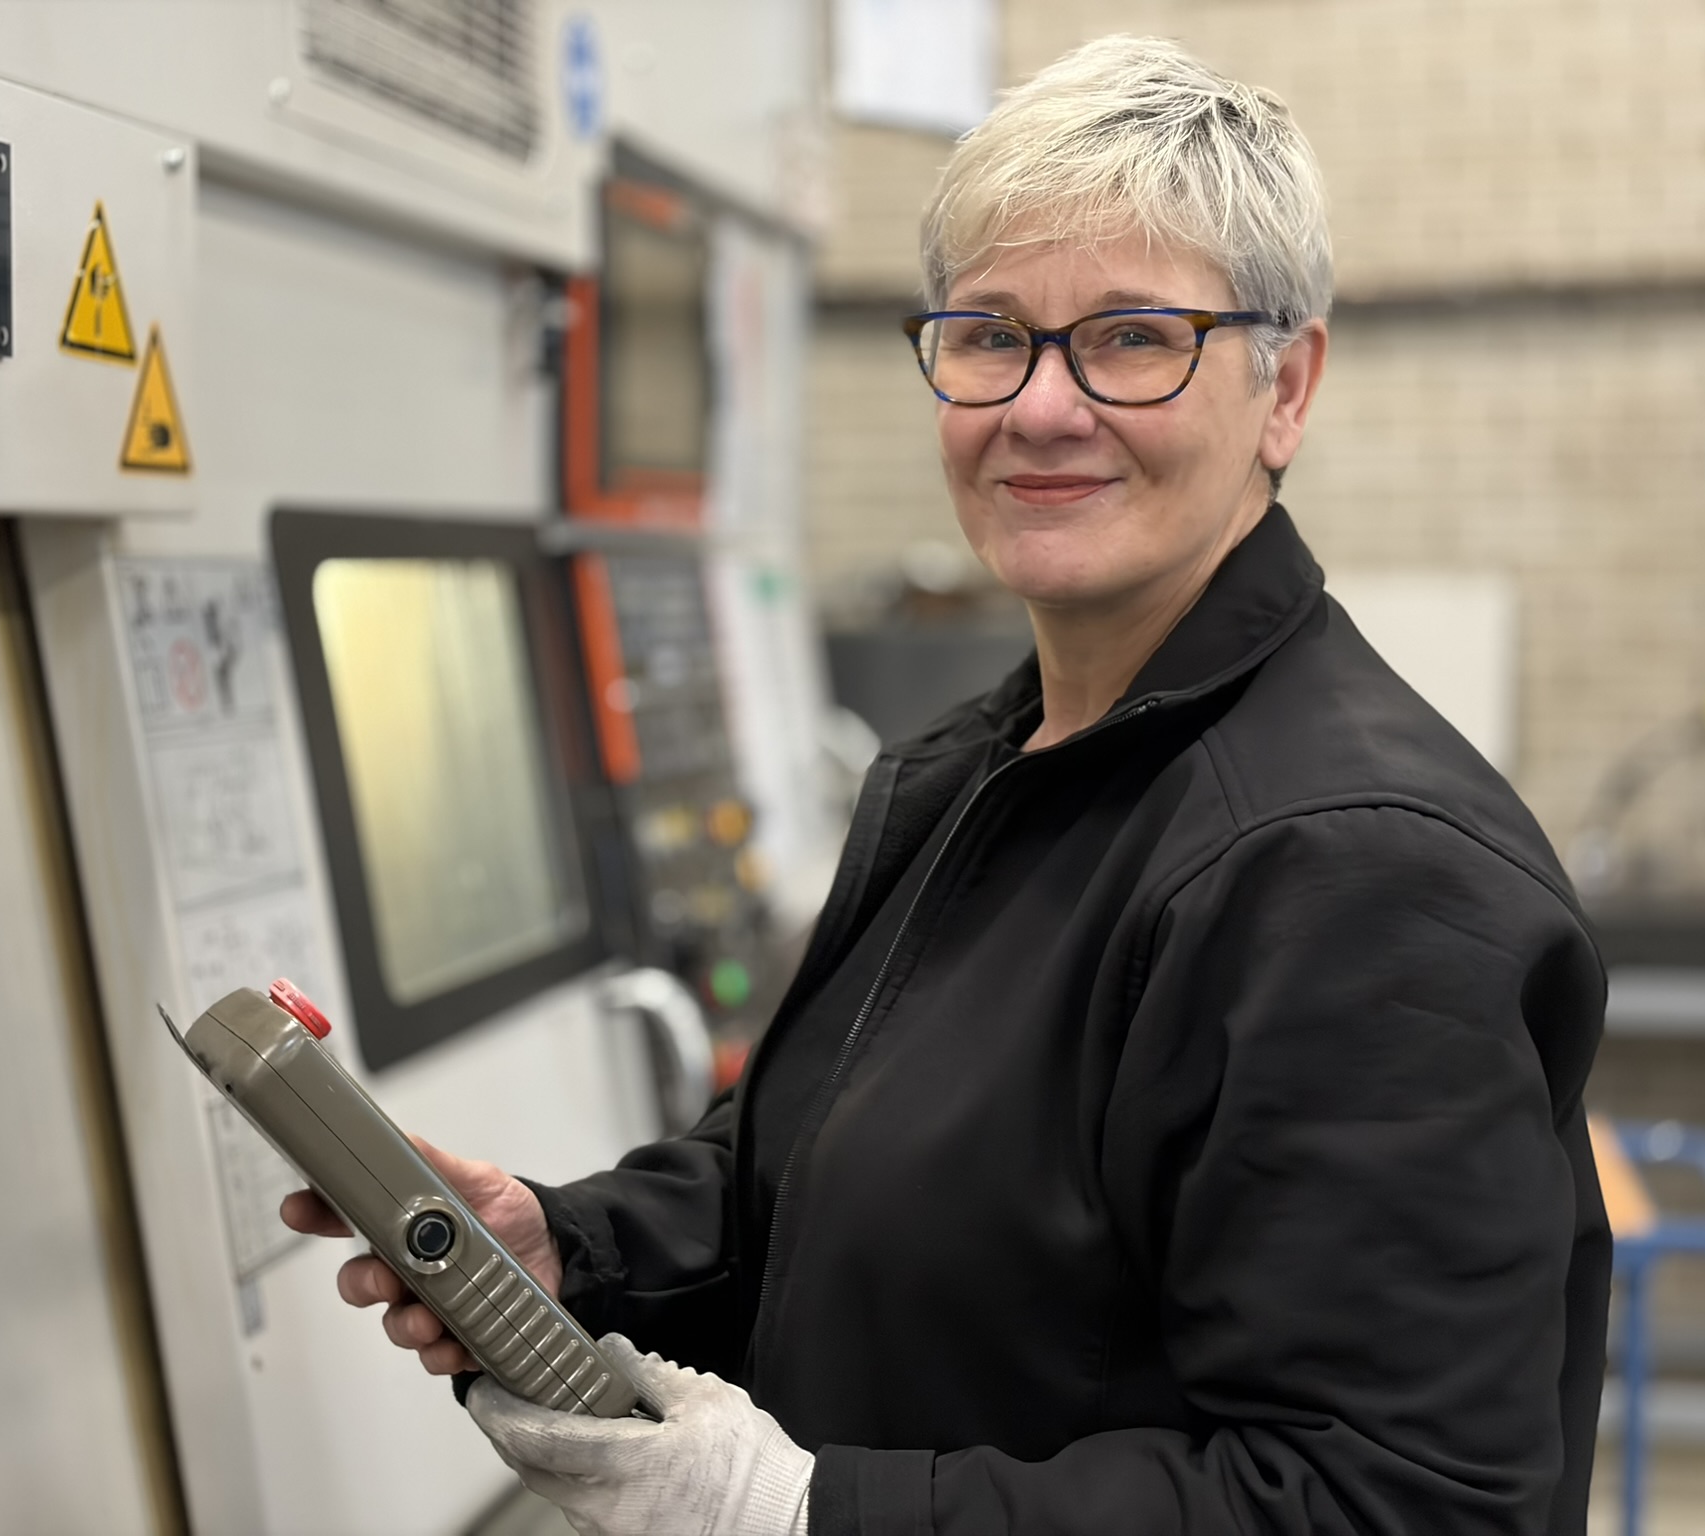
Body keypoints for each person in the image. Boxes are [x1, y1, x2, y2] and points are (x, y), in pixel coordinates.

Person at [286, 34, 1608, 1536]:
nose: (1040, 408)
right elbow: (834, 1170)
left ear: (1285, 387)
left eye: (1133, 338)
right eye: (989, 335)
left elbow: (1395, 1506)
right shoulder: (992, 765)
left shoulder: (1352, 874)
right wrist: (569, 1247)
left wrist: (805, 1513)